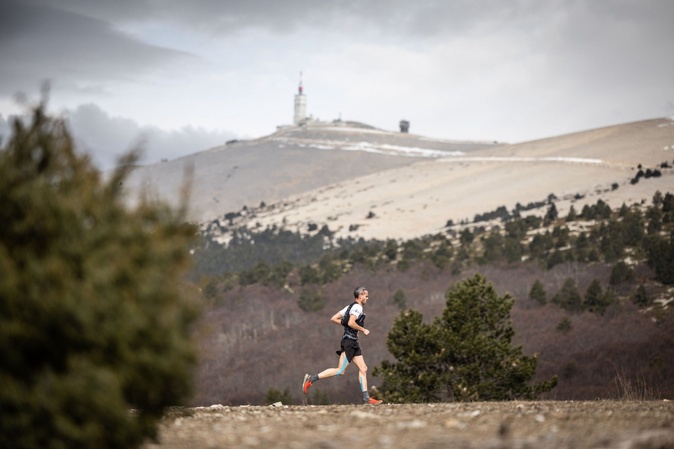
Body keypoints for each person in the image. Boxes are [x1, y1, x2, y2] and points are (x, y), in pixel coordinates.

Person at [302, 286, 383, 405]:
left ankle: (366, 398)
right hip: (349, 342)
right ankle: (311, 379)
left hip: (353, 342)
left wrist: (346, 324)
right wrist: (363, 329)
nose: (367, 298)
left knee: (363, 368)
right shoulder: (357, 307)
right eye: (366, 296)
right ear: (360, 296)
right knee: (340, 370)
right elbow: (351, 322)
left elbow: (334, 319)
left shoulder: (349, 307)